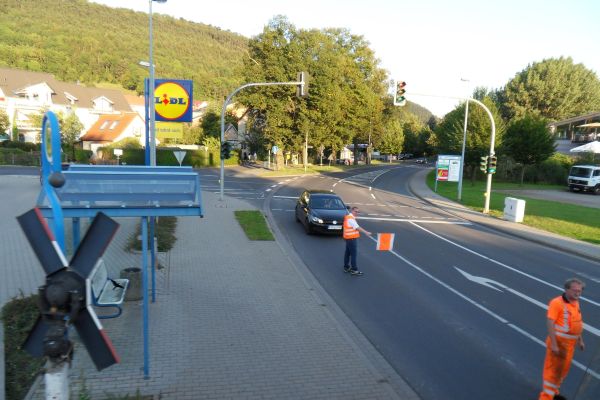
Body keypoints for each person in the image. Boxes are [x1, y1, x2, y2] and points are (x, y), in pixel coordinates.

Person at [539, 278, 585, 400]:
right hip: (558, 345)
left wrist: (580, 340)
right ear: (566, 289)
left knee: (562, 371)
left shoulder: (576, 302)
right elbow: (550, 323)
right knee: (552, 372)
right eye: (575, 290)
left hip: (569, 346)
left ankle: (554, 392)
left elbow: (576, 322)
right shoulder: (557, 303)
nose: (577, 293)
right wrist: (554, 344)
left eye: (580, 291)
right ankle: (546, 397)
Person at [343, 206, 371, 276]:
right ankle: (354, 270)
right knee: (353, 254)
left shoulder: (348, 217)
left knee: (347, 253)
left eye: (358, 212)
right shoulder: (351, 219)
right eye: (356, 211)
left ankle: (346, 267)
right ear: (352, 211)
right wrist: (366, 232)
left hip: (348, 238)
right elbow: (357, 227)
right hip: (351, 239)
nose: (357, 213)